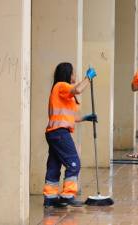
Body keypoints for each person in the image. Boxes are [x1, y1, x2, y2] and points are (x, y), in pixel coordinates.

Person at [43, 62, 97, 208]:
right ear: (68, 74)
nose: (75, 76)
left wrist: (86, 117)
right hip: (60, 132)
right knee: (74, 163)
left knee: (54, 165)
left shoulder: (61, 91)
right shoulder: (61, 85)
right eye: (74, 73)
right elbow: (78, 89)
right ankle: (68, 195)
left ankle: (50, 197)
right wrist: (88, 78)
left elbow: (70, 117)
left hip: (54, 132)